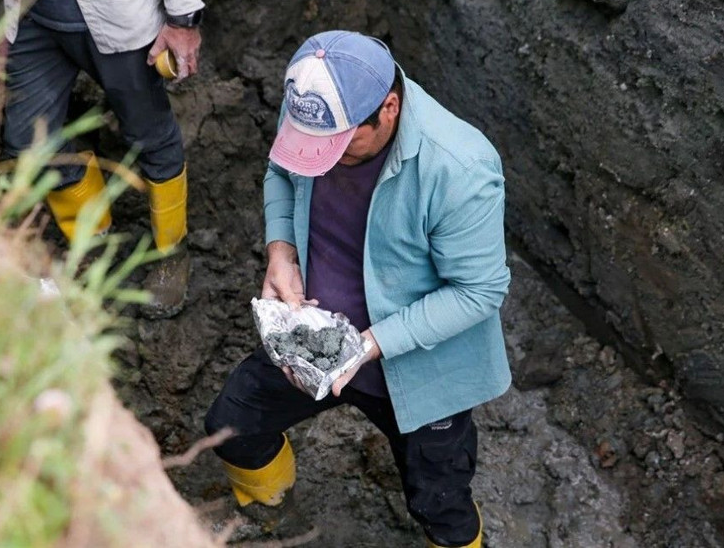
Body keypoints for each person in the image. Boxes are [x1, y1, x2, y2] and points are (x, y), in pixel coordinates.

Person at [204, 30, 512, 547]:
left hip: (419, 370)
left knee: (439, 503)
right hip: (314, 333)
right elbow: (281, 170)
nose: (322, 160)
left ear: (388, 109)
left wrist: (367, 346)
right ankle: (274, 514)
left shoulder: (459, 168)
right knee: (232, 425)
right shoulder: (314, 107)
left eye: (339, 149)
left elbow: (479, 292)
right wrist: (281, 248)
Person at [0, 0, 206, 318]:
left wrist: (183, 20)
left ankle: (171, 252)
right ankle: (92, 240)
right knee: (28, 142)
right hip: (31, 16)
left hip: (119, 16)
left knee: (148, 135)